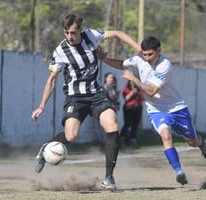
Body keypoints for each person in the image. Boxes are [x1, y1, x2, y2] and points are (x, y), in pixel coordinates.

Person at [31, 13, 140, 190]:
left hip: (96, 94)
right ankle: (46, 148)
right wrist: (42, 105)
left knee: (112, 125)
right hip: (75, 97)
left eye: (73, 32)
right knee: (71, 136)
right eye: (66, 32)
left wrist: (138, 49)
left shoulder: (91, 36)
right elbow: (52, 79)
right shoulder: (60, 51)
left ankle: (109, 178)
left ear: (80, 30)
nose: (69, 36)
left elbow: (118, 33)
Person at [98, 36, 206, 186]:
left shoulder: (165, 65)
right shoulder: (139, 59)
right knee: (166, 136)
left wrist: (134, 78)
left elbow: (151, 90)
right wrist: (104, 59)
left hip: (176, 107)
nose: (146, 58)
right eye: (144, 54)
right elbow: (122, 64)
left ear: (159, 50)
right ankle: (179, 172)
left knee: (192, 141)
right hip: (156, 110)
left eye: (150, 54)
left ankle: (201, 143)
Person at [119, 80, 143, 147]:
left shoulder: (139, 90)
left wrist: (139, 93)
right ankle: (122, 138)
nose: (133, 83)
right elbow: (126, 98)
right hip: (129, 108)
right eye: (132, 82)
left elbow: (143, 99)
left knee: (135, 124)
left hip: (138, 107)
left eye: (135, 82)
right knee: (128, 123)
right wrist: (132, 92)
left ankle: (132, 139)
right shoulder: (126, 89)